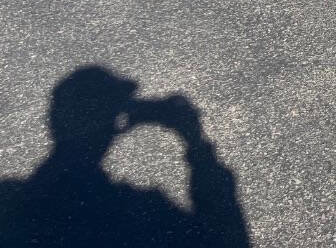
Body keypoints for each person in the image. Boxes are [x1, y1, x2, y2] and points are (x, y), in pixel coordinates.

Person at [0, 65, 249, 247]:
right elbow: (227, 237)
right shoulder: (142, 213)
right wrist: (194, 140)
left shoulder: (9, 200)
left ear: (53, 122)